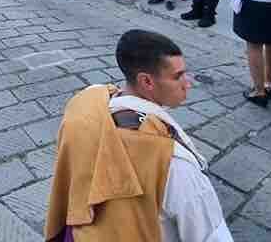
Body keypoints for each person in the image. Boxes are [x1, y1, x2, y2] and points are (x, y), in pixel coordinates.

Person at [45, 30, 231, 242]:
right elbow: (212, 235)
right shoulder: (173, 162)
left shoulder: (83, 106)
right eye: (177, 76)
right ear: (147, 82)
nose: (187, 82)